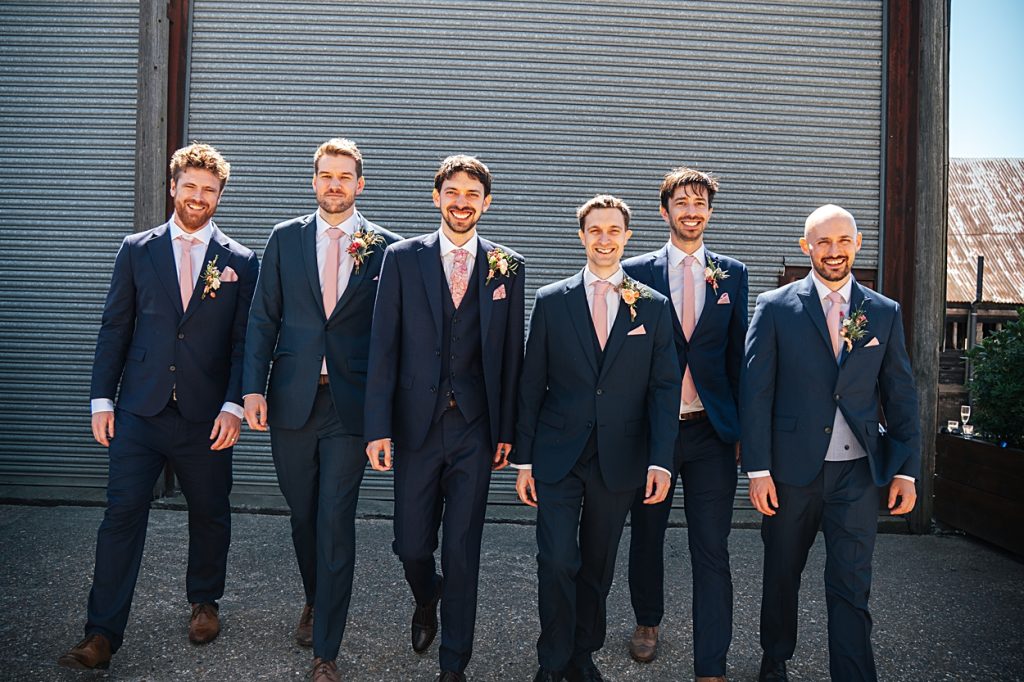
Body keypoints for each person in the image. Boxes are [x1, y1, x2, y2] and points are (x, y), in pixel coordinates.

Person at [58, 143, 259, 670]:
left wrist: (234, 405)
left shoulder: (240, 261)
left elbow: (244, 342)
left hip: (206, 416)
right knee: (121, 516)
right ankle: (101, 633)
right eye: (189, 186)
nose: (198, 197)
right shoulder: (136, 249)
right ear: (173, 187)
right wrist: (103, 400)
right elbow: (115, 327)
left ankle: (204, 602)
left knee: (210, 514)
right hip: (139, 412)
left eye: (209, 190)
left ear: (220, 196)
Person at [242, 139, 401, 682]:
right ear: (314, 182)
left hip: (351, 406)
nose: (334, 185)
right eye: (325, 176)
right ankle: (315, 596)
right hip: (291, 398)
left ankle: (326, 651)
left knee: (335, 518)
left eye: (345, 176)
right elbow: (263, 319)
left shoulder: (387, 248)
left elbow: (394, 336)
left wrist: (389, 413)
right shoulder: (285, 239)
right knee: (304, 513)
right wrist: (252, 390)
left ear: (361, 183)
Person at [741, 204, 920, 682]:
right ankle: (774, 658)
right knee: (782, 574)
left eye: (843, 241)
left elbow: (901, 395)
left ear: (858, 243)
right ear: (807, 247)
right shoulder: (775, 307)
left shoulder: (883, 313)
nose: (834, 251)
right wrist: (758, 471)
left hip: (858, 475)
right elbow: (756, 393)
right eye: (822, 242)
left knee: (851, 583)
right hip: (791, 473)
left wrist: (906, 469)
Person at [364, 155, 525, 682]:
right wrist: (378, 427)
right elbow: (383, 345)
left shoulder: (507, 265)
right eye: (452, 192)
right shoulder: (402, 258)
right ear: (437, 197)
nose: (461, 202)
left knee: (462, 548)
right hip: (415, 424)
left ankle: (454, 663)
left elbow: (510, 357)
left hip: (476, 429)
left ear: (486, 202)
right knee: (411, 544)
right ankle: (426, 595)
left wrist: (507, 433)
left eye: (472, 194)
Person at [513, 195, 680, 682]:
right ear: (581, 236)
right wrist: (524, 460)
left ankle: (582, 655)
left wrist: (661, 461)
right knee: (557, 558)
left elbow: (664, 389)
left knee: (598, 566)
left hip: (621, 458)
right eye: (595, 230)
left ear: (627, 237)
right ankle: (552, 661)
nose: (604, 239)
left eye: (614, 231)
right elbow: (531, 385)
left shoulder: (653, 306)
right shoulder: (552, 300)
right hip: (558, 455)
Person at [622, 168, 748, 680]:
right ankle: (647, 621)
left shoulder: (732, 274)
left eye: (700, 203)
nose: (691, 210)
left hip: (712, 431)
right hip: (654, 431)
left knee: (711, 545)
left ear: (710, 213)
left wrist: (743, 433)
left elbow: (741, 354)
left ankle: (711, 660)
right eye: (681, 202)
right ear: (664, 210)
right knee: (647, 532)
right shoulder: (635, 271)